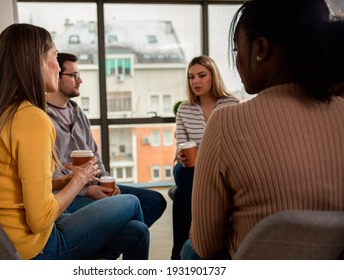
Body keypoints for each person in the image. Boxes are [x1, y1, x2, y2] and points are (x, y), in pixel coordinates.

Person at [0, 23, 149, 260]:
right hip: (36, 248)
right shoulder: (33, 119)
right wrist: (78, 181)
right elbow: (40, 219)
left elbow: (16, 186)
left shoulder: (0, 114)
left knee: (137, 231)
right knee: (132, 201)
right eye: (55, 56)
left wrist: (65, 179)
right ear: (37, 62)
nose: (57, 65)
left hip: (7, 240)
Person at [181, 0, 344, 260]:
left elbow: (206, 243)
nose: (236, 61)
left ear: (260, 48)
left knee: (189, 250)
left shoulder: (227, 121)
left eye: (236, 50)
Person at [46, 53, 167, 228]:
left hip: (94, 187)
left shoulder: (78, 114)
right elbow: (51, 173)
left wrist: (105, 181)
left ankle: (106, 251)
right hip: (66, 195)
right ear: (56, 75)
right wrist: (87, 191)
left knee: (154, 201)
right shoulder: (42, 118)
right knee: (129, 223)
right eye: (74, 76)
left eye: (78, 75)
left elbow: (95, 156)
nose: (80, 81)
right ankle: (113, 243)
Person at [171, 55, 239, 259]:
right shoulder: (185, 109)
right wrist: (181, 155)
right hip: (189, 168)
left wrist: (206, 158)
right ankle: (202, 232)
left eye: (202, 75)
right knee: (185, 171)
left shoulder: (231, 104)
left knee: (180, 199)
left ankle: (180, 252)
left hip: (220, 167)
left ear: (213, 77)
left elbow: (235, 148)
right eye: (191, 77)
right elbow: (180, 146)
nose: (196, 81)